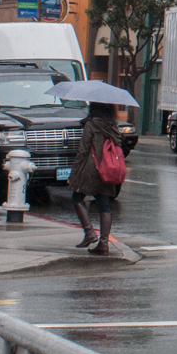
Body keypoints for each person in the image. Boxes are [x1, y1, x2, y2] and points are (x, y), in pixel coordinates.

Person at [69, 101, 122, 256]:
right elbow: (119, 145)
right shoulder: (113, 126)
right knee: (104, 205)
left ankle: (89, 233)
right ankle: (103, 244)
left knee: (77, 198)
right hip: (108, 169)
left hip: (92, 169)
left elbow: (83, 151)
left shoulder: (91, 125)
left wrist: (73, 175)